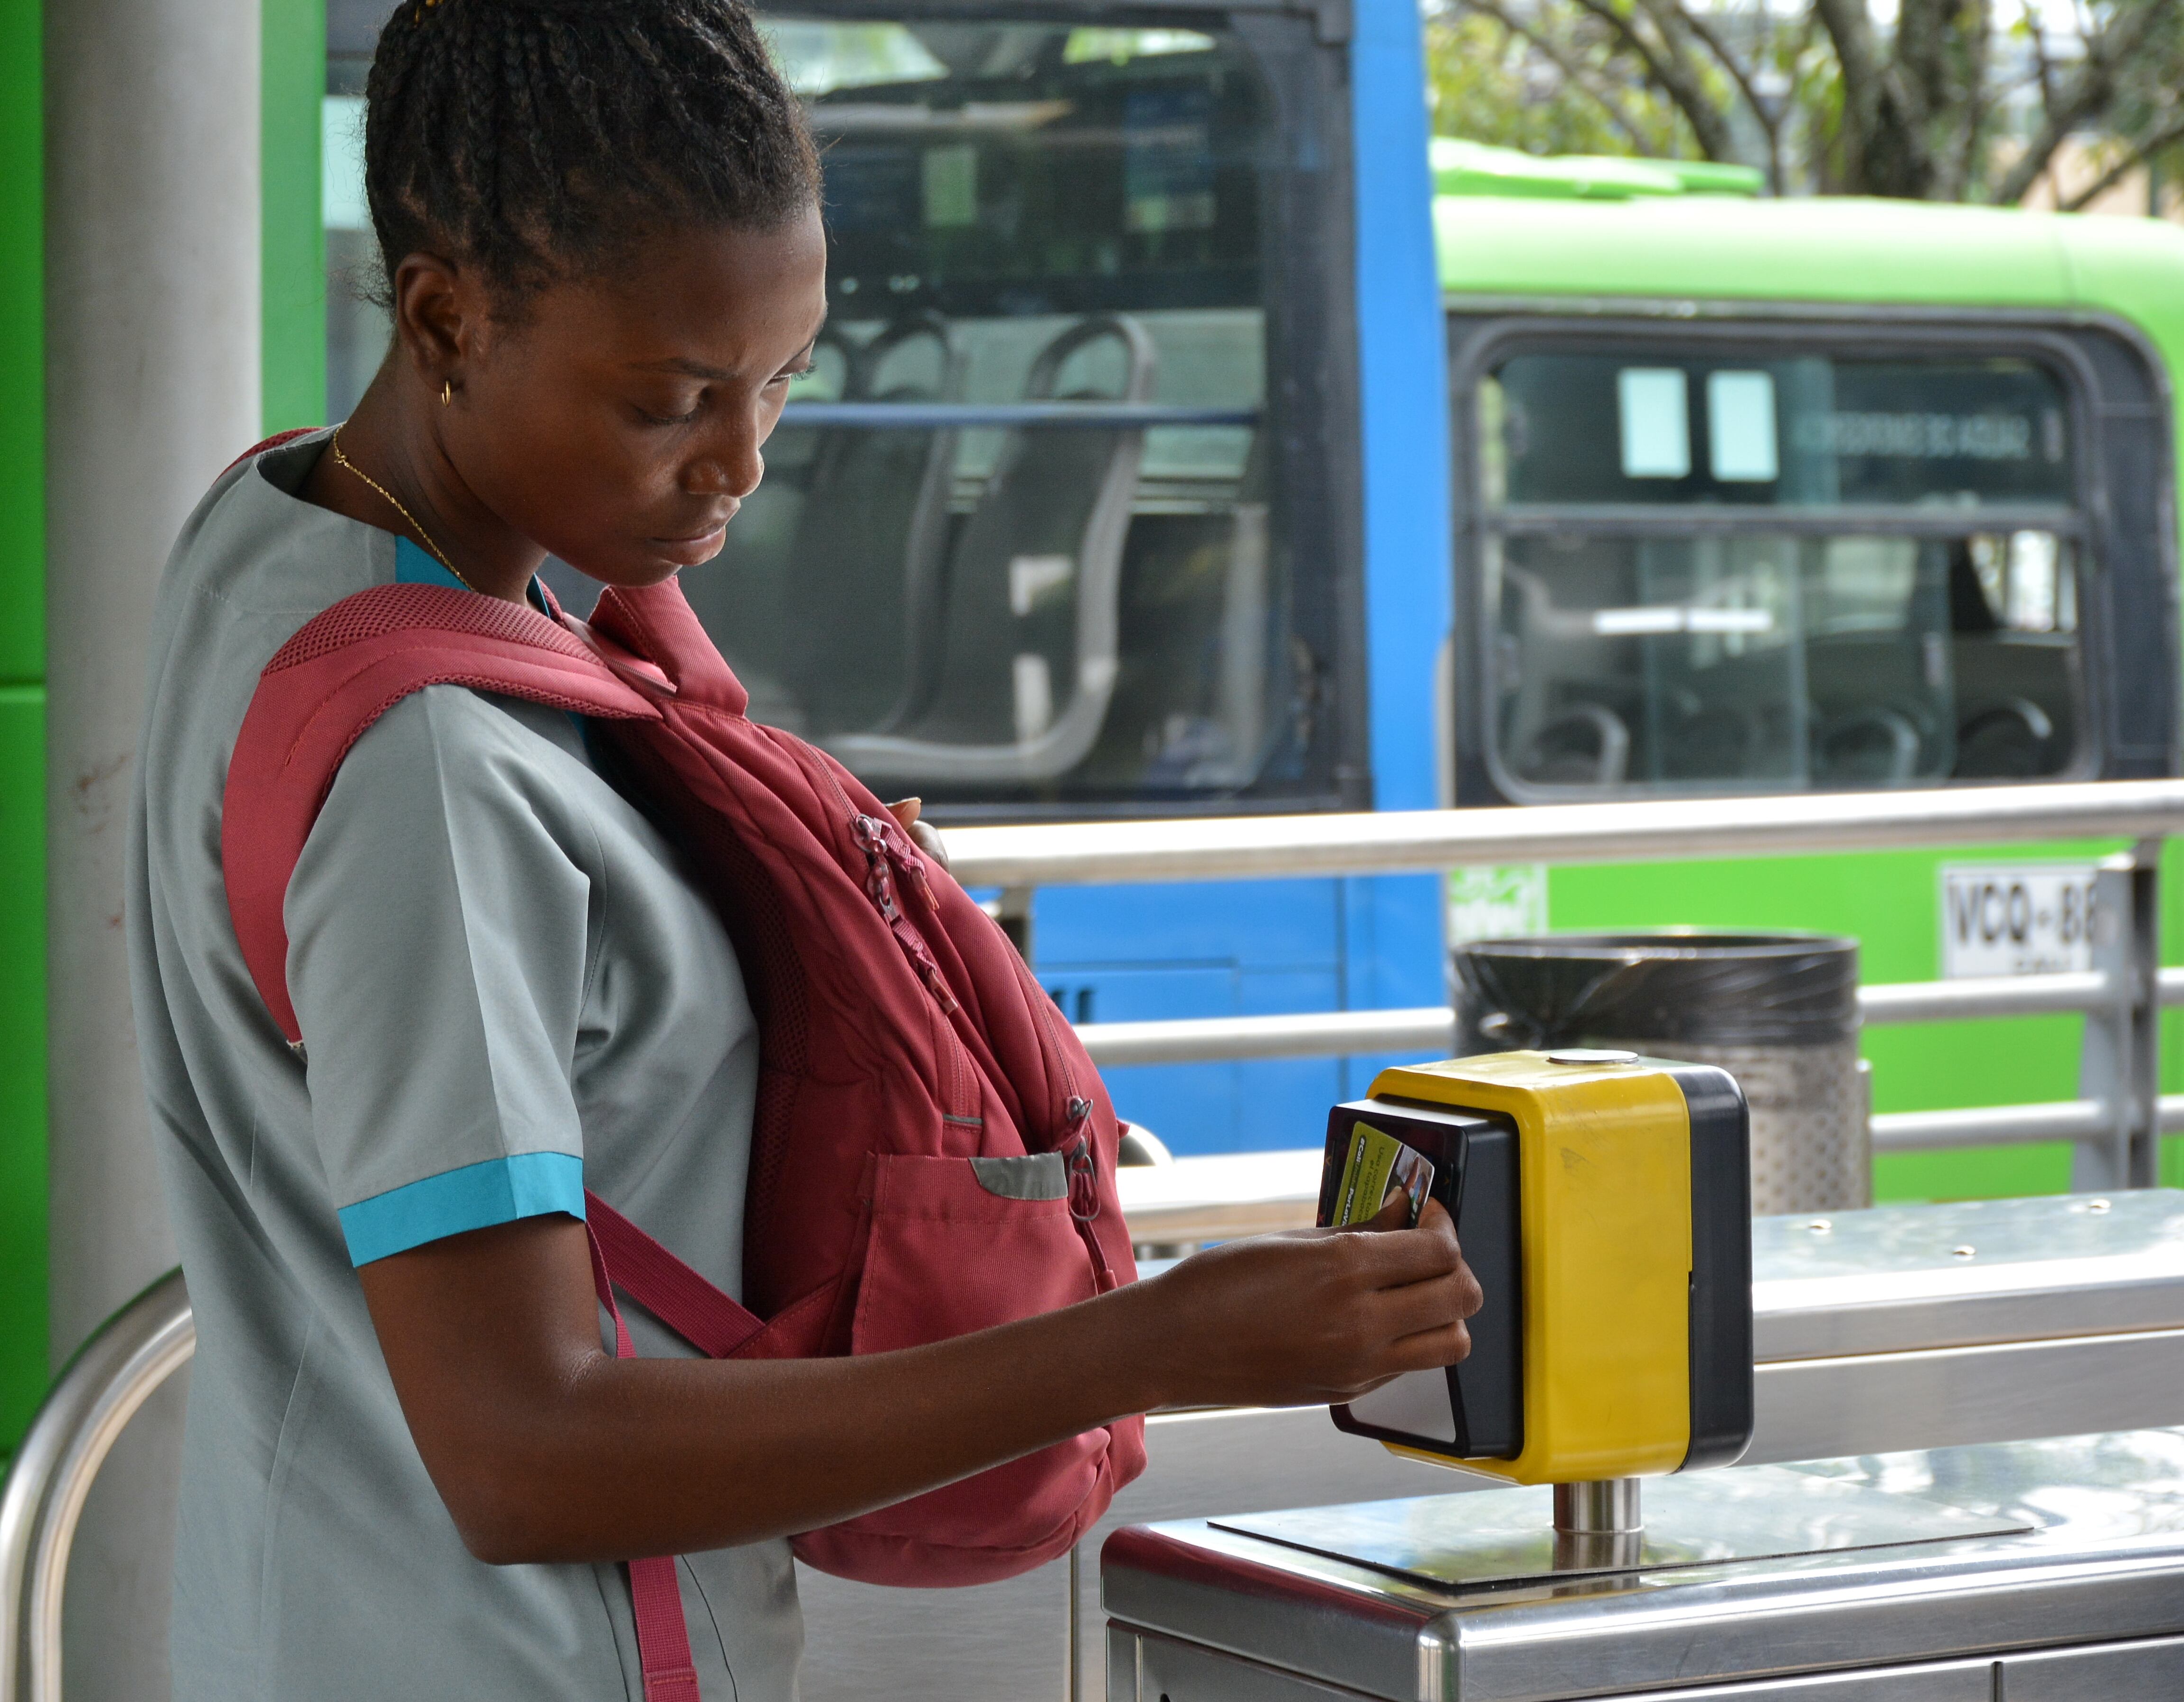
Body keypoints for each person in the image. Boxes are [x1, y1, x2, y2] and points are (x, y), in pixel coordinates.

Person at [127, 1, 1482, 1696]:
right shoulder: (434, 775)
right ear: (443, 313)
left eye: (782, 380)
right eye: (674, 399)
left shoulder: (278, 538)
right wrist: (1157, 1342)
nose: (743, 462)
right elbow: (526, 1450)